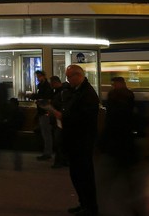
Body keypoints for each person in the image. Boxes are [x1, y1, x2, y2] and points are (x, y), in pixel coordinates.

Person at [48, 64, 99, 216]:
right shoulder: (76, 92)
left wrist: (63, 116)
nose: (67, 80)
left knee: (84, 175)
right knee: (77, 174)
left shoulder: (87, 94)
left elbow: (84, 118)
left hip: (82, 141)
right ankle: (83, 203)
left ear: (78, 76)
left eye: (69, 77)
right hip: (75, 140)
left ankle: (90, 207)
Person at [98, 76, 136, 164]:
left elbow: (111, 110)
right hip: (125, 124)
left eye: (114, 84)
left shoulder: (113, 94)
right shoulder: (129, 94)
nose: (113, 85)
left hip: (116, 124)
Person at [0, 93, 24, 171]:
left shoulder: (4, 108)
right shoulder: (15, 112)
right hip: (9, 132)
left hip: (6, 132)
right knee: (14, 148)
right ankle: (17, 165)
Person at [30, 70, 54, 161]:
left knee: (46, 133)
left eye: (39, 76)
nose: (38, 78)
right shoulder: (43, 86)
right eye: (37, 76)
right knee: (45, 133)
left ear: (43, 76)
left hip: (45, 112)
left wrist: (36, 98)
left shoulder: (46, 87)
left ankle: (47, 153)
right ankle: (47, 152)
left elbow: (45, 98)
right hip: (42, 112)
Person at [49, 75, 70, 168]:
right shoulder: (62, 91)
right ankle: (62, 160)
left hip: (60, 119)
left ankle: (59, 161)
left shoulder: (62, 92)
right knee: (60, 141)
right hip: (59, 119)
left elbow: (63, 105)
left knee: (59, 140)